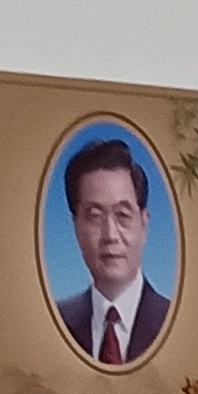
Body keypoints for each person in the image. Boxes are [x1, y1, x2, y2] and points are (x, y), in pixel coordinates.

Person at [50, 135, 170, 366]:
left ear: (144, 224)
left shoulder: (175, 322)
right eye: (94, 216)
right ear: (76, 226)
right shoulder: (56, 323)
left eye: (122, 215)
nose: (110, 235)